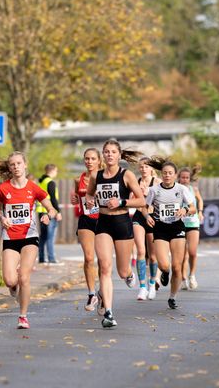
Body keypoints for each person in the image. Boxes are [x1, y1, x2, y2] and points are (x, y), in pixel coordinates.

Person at [0, 151, 57, 329]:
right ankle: (13, 287)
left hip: (30, 236)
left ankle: (23, 316)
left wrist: (48, 216)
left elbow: (51, 208)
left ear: (25, 165)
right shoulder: (3, 188)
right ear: (9, 168)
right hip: (11, 237)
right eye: (12, 164)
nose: (16, 167)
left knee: (24, 277)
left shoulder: (34, 188)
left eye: (19, 163)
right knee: (10, 280)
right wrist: (1, 218)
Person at [85, 140, 145, 328]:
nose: (109, 155)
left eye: (113, 152)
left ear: (119, 155)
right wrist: (89, 202)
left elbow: (141, 200)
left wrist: (121, 202)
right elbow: (89, 195)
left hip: (122, 223)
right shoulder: (96, 176)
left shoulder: (126, 175)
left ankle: (128, 275)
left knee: (122, 270)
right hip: (103, 223)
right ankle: (109, 313)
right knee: (104, 266)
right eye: (106, 152)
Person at [144, 158, 196, 310]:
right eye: (165, 173)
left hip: (177, 227)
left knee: (177, 266)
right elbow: (144, 207)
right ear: (162, 174)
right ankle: (165, 273)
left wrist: (185, 210)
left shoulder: (181, 189)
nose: (167, 175)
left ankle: (172, 297)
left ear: (175, 175)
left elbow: (193, 208)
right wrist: (148, 216)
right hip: (160, 227)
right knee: (164, 264)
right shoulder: (154, 190)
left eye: (170, 173)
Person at [70, 148, 102, 311]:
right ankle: (91, 294)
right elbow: (77, 198)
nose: (89, 161)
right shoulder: (79, 179)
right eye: (87, 158)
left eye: (92, 159)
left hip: (104, 220)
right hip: (86, 220)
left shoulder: (105, 177)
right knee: (89, 258)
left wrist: (96, 198)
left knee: (103, 260)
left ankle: (103, 291)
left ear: (99, 161)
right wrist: (75, 198)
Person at [132, 157, 161, 300]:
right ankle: (142, 287)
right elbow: (134, 201)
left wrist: (147, 194)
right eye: (141, 166)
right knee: (140, 251)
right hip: (139, 217)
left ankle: (152, 284)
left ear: (151, 168)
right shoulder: (136, 182)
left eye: (146, 166)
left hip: (153, 218)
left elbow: (161, 200)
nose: (143, 169)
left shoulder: (157, 182)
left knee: (153, 255)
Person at [178, 165, 203, 290]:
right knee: (182, 254)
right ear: (179, 178)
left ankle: (192, 275)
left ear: (189, 178)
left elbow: (200, 200)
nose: (185, 179)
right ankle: (183, 278)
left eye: (187, 177)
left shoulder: (194, 189)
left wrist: (200, 211)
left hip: (193, 222)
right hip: (180, 223)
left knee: (192, 252)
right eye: (182, 177)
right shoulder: (175, 189)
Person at [37, 164, 63, 264]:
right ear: (52, 171)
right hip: (49, 212)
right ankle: (51, 258)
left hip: (41, 211)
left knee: (43, 236)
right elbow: (53, 199)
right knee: (50, 236)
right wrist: (58, 212)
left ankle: (41, 258)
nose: (56, 173)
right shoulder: (50, 182)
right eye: (56, 171)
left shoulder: (42, 182)